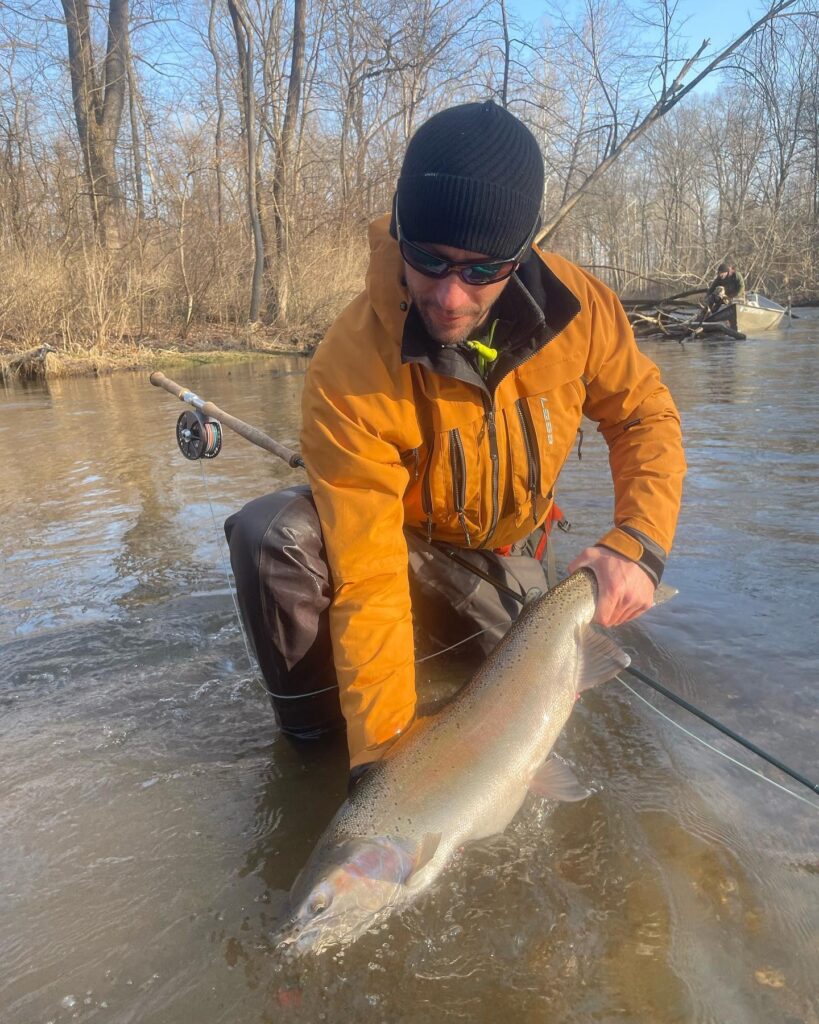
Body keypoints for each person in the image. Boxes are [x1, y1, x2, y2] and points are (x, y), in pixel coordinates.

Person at [225, 101, 686, 782]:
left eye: (481, 271)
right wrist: (381, 766)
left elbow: (643, 417)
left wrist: (637, 544)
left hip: (507, 563)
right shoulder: (349, 366)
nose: (447, 296)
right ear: (400, 232)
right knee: (272, 535)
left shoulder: (582, 310)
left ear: (520, 253)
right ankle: (315, 757)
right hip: (403, 555)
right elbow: (371, 574)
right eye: (428, 260)